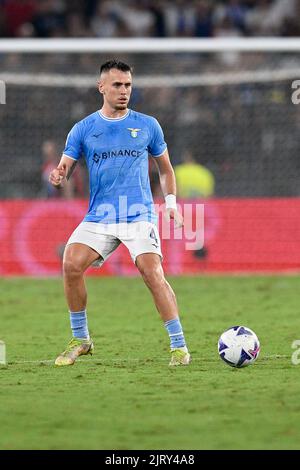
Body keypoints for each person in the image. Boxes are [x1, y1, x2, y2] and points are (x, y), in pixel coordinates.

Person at [49, 59, 190, 367]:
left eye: (127, 85)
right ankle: (81, 340)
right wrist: (59, 175)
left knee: (151, 271)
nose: (124, 90)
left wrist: (170, 204)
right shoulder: (83, 129)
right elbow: (65, 167)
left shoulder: (148, 125)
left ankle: (179, 346)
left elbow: (165, 169)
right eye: (117, 85)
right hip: (100, 215)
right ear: (102, 87)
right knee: (71, 263)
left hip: (137, 213)